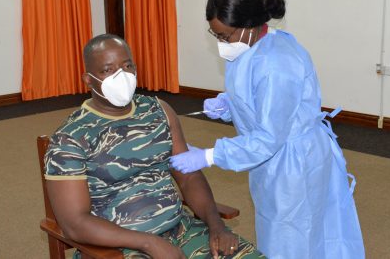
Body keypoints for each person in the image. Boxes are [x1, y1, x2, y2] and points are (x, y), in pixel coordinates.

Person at [170, 0, 365, 259]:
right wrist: (229, 104)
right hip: (275, 162)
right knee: (283, 229)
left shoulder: (277, 64)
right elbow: (259, 99)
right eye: (216, 35)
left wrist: (210, 156)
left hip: (294, 166)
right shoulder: (254, 45)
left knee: (292, 237)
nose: (222, 43)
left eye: (225, 36)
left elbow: (266, 138)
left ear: (249, 25)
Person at [44, 34, 265, 259]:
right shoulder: (70, 137)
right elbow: (74, 223)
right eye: (108, 70)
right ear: (88, 79)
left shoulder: (159, 110)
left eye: (127, 66)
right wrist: (149, 243)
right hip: (116, 248)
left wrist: (217, 227)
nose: (121, 75)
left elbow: (188, 177)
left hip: (181, 230)